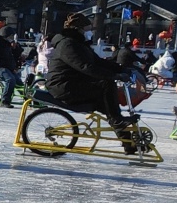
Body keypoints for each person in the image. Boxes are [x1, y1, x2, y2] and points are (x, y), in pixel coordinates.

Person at [44, 13, 146, 149]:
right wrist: (113, 76)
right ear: (78, 29)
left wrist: (121, 69)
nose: (90, 32)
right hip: (63, 86)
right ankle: (119, 122)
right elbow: (85, 67)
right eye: (87, 29)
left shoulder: (78, 44)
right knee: (106, 85)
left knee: (110, 108)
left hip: (72, 83)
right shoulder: (67, 44)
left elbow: (98, 62)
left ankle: (129, 144)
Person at [0, 24, 22, 105]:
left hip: (6, 66)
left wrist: (15, 48)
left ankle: (28, 99)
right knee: (10, 79)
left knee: (18, 82)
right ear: (6, 35)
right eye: (11, 35)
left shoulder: (7, 43)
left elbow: (12, 55)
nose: (12, 37)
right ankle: (5, 100)